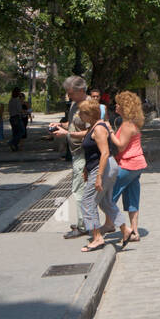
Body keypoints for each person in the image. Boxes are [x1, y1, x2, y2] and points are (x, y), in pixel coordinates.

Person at [76, 99, 131, 252]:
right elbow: (91, 149)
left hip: (103, 168)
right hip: (104, 167)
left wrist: (98, 176)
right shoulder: (94, 126)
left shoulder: (99, 128)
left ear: (89, 114)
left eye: (81, 113)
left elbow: (105, 152)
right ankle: (125, 230)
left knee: (88, 202)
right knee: (105, 202)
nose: (80, 115)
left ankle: (97, 238)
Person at [50, 76, 96, 239]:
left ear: (81, 90)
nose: (69, 96)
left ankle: (84, 225)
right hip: (76, 152)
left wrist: (67, 133)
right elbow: (73, 124)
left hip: (84, 153)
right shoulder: (74, 105)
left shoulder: (89, 106)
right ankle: (88, 222)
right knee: (83, 190)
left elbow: (93, 132)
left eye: (71, 93)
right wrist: (60, 126)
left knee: (79, 190)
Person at [109, 91, 148, 242]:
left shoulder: (126, 125)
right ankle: (135, 231)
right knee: (132, 198)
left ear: (125, 106)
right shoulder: (133, 122)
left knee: (108, 198)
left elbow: (120, 146)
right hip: (137, 164)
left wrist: (110, 132)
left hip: (127, 164)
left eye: (118, 103)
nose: (116, 106)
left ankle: (116, 226)